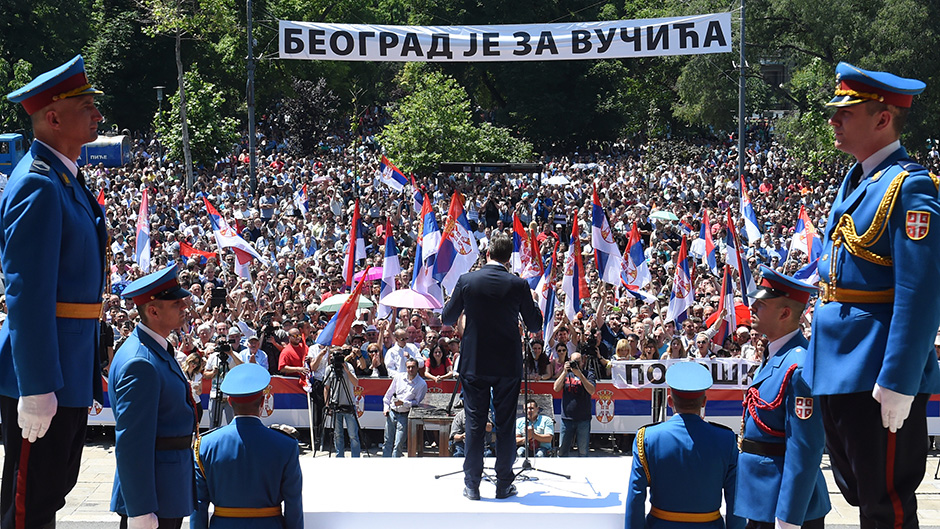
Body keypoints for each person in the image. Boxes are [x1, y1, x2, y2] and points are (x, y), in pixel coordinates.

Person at [808, 63, 940, 528]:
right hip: (840, 367)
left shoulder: (909, 186)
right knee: (862, 496)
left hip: (877, 370)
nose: (833, 121)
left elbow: (920, 292)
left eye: (846, 112)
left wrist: (901, 378)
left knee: (887, 505)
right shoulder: (857, 180)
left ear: (883, 119)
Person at [0, 55, 108, 529]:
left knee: (50, 496)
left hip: (69, 368)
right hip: (48, 375)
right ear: (54, 117)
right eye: (87, 106)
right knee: (27, 507)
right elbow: (28, 293)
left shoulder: (66, 180)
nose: (99, 115)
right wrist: (38, 383)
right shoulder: (39, 185)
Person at [442, 233, 542, 500]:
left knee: (475, 423)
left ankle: (472, 484)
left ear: (487, 254)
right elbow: (534, 325)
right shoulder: (518, 284)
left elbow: (448, 316)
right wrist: (533, 300)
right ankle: (503, 484)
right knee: (506, 424)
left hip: (474, 362)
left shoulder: (467, 281)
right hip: (507, 366)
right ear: (509, 258)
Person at [735, 267, 830, 529]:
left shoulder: (797, 366)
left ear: (785, 313)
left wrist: (789, 516)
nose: (752, 307)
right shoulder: (776, 355)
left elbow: (805, 447)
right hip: (763, 496)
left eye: (761, 304)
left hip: (783, 503)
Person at [108, 264, 198, 529]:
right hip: (156, 495)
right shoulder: (141, 362)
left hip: (166, 487)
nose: (185, 307)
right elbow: (132, 442)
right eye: (176, 303)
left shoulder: (153, 348)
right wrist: (140, 509)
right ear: (153, 310)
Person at [625, 362, 743, 529]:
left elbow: (635, 497)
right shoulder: (726, 439)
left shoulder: (647, 438)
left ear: (670, 401)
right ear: (704, 402)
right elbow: (735, 500)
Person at [192, 363, 302, 529]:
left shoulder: (205, 445)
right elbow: (293, 503)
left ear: (229, 401)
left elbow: (198, 505)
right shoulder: (286, 445)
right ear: (263, 400)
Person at [552, 351, 596, 457]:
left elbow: (592, 391)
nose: (576, 364)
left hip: (583, 419)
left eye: (578, 362)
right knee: (562, 451)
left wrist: (580, 375)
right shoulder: (566, 374)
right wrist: (564, 372)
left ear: (582, 362)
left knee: (583, 451)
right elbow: (556, 388)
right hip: (567, 418)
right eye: (574, 362)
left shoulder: (588, 374)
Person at [382, 358, 427, 457]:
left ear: (417, 368)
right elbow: (388, 395)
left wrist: (404, 403)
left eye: (413, 367)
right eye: (408, 367)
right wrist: (386, 408)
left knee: (398, 443)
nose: (410, 369)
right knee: (387, 441)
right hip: (392, 412)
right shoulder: (398, 377)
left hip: (405, 415)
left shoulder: (422, 384)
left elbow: (417, 403)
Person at [323, 348, 361, 457]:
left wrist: (347, 371)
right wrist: (327, 405)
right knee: (337, 434)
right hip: (335, 405)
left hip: (349, 405)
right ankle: (340, 456)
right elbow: (326, 387)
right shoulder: (329, 369)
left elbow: (356, 383)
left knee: (353, 435)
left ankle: (356, 457)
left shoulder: (349, 366)